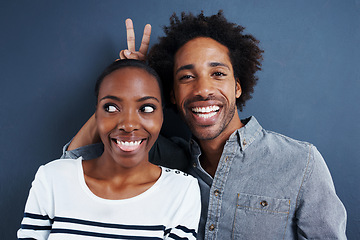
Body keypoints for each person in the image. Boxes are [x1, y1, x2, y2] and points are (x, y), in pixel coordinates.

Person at [62, 12, 347, 239]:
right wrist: (125, 86)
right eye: (187, 77)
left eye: (218, 73)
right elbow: (73, 163)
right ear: (172, 94)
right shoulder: (162, 159)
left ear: (237, 86)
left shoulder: (300, 163)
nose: (202, 89)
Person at [17, 59, 201, 240]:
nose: (128, 125)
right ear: (96, 115)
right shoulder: (52, 179)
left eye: (146, 108)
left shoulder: (182, 191)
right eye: (111, 107)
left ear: (161, 116)